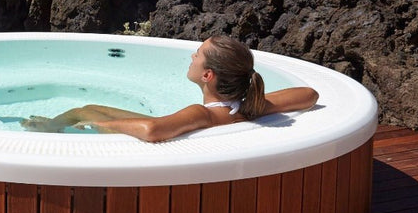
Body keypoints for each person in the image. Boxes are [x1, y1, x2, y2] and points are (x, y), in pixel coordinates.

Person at [21, 35, 319, 142]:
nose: (191, 56)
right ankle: (55, 124)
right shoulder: (252, 104)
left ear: (207, 75)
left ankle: (48, 129)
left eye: (197, 55)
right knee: (82, 108)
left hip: (165, 131)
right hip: (237, 107)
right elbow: (309, 95)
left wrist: (99, 124)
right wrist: (260, 104)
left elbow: (152, 130)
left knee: (82, 114)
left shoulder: (203, 114)